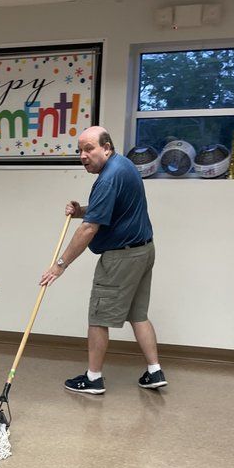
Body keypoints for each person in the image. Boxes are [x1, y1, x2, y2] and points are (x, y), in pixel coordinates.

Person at [39, 125, 167, 395]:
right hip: (144, 250)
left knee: (98, 317)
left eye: (89, 149)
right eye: (80, 150)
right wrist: (80, 211)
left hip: (122, 257)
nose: (83, 156)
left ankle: (93, 378)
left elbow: (89, 229)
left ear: (106, 148)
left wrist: (59, 266)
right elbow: (106, 211)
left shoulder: (108, 178)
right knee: (138, 314)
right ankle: (155, 372)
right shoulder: (124, 166)